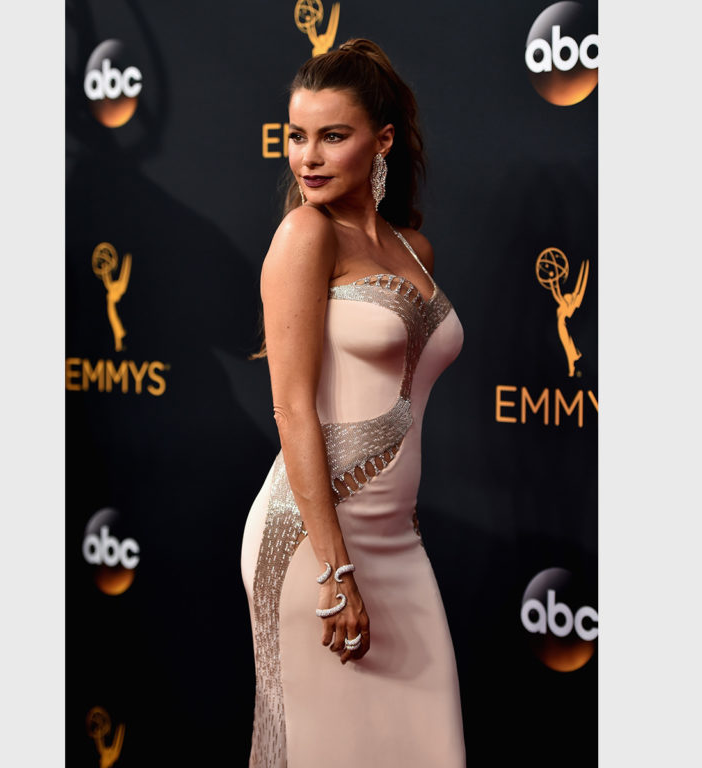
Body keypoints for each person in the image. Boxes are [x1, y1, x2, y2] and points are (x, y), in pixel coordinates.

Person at [241, 38, 466, 767]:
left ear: (383, 141)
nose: (307, 157)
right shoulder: (306, 234)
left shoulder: (414, 248)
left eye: (332, 136)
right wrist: (335, 574)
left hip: (398, 542)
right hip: (316, 542)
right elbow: (293, 411)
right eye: (296, 136)